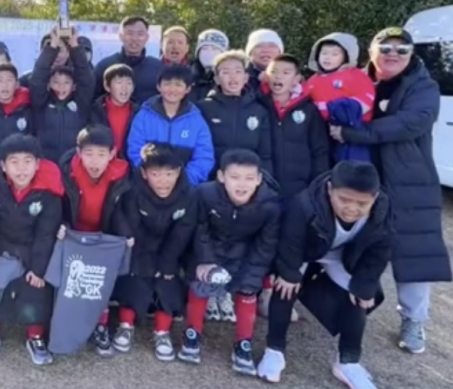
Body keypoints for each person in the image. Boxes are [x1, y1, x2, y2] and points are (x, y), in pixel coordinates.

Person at [330, 27, 452, 354]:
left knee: (412, 251)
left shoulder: (423, 86)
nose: (393, 54)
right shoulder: (356, 79)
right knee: (347, 243)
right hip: (360, 176)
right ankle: (343, 307)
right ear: (372, 52)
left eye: (401, 49)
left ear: (411, 54)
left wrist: (355, 134)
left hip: (407, 181)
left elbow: (410, 123)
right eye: (385, 48)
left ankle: (413, 320)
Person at [257, 161, 391, 389]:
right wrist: (289, 272)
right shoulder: (304, 204)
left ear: (375, 197)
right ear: (330, 189)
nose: (351, 208)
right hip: (304, 251)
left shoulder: (384, 211)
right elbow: (290, 241)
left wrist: (365, 283)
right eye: (344, 200)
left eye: (362, 203)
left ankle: (348, 361)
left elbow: (381, 250)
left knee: (359, 295)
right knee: (285, 286)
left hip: (341, 255)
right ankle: (274, 350)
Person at [180, 149, 281, 376]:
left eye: (249, 178)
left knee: (247, 290)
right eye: (235, 177)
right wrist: (206, 261)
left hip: (245, 253)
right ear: (221, 176)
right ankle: (192, 333)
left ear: (259, 179)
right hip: (211, 248)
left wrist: (252, 277)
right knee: (200, 281)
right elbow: (199, 229)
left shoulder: (270, 204)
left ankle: (243, 343)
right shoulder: (204, 193)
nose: (241, 184)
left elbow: (265, 246)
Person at [0, 134, 63, 365]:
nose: (21, 169)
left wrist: (38, 269)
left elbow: (46, 233)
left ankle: (35, 336)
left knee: (36, 287)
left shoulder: (48, 193)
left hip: (31, 248)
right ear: (3, 165)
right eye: (14, 162)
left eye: (28, 161)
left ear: (38, 164)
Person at [114, 143, 197, 361]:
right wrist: (140, 255)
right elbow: (129, 224)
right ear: (144, 173)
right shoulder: (132, 191)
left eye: (169, 174)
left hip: (170, 249)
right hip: (139, 246)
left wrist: (167, 263)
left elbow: (182, 233)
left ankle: (162, 331)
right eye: (156, 174)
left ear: (178, 172)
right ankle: (125, 325)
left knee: (168, 278)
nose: (163, 181)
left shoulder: (188, 194)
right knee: (134, 275)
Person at [56, 125, 131, 356]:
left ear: (112, 154)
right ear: (79, 152)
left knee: (98, 284)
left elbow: (121, 210)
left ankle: (101, 326)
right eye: (88, 154)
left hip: (103, 236)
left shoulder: (122, 175)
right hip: (73, 235)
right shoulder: (66, 171)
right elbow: (58, 204)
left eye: (101, 154)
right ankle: (69, 325)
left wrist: (126, 235)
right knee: (71, 285)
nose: (94, 161)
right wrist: (62, 225)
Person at [124, 66, 214, 186]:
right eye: (167, 84)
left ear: (187, 89)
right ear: (158, 86)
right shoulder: (144, 116)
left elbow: (204, 157)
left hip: (185, 187)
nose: (172, 89)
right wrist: (153, 178)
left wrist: (184, 181)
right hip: (148, 186)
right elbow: (135, 150)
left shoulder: (196, 120)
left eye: (178, 85)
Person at [260, 54, 330, 201]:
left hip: (300, 188)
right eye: (273, 72)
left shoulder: (309, 110)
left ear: (296, 79)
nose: (278, 76)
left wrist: (317, 185)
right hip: (262, 186)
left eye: (286, 72)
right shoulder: (257, 106)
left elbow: (320, 150)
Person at [196, 51, 273, 178]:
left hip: (247, 181)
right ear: (217, 79)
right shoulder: (203, 108)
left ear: (246, 77)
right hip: (212, 180)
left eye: (238, 71)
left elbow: (265, 155)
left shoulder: (259, 111)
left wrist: (265, 181)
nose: (233, 77)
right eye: (226, 72)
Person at [30, 28, 95, 162]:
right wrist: (52, 46)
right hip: (46, 163)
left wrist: (75, 46)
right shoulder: (41, 102)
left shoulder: (81, 102)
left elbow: (85, 78)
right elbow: (38, 79)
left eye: (66, 83)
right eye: (56, 82)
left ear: (74, 86)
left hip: (73, 163)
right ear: (49, 84)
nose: (61, 87)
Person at [305, 32, 376, 124]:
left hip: (352, 124)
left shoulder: (355, 75)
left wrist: (347, 111)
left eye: (334, 54)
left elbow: (366, 97)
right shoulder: (312, 81)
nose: (327, 57)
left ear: (346, 57)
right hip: (321, 126)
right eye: (324, 53)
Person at [93, 16, 164, 104]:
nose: (134, 38)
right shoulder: (105, 66)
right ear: (121, 36)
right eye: (130, 33)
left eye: (140, 34)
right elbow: (94, 100)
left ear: (147, 37)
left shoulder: (157, 67)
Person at [89, 64, 139, 158]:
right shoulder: (95, 110)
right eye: (119, 82)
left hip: (129, 163)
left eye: (129, 83)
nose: (124, 87)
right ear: (107, 86)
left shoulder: (139, 112)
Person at [189, 29, 230, 102]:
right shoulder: (186, 77)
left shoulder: (231, 79)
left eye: (214, 49)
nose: (209, 52)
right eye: (204, 48)